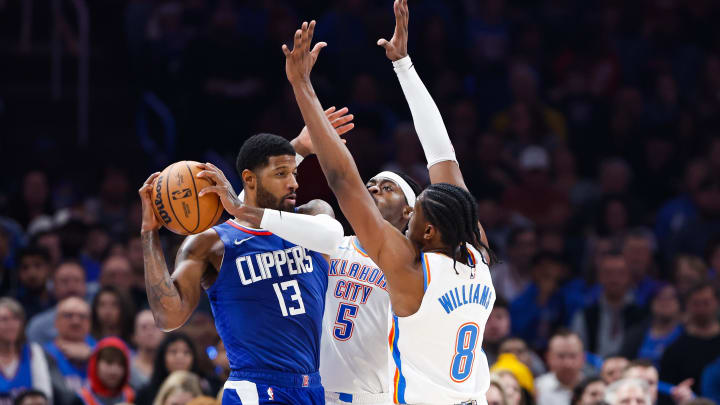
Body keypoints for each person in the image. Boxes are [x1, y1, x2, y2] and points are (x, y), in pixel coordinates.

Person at [283, 5, 495, 403]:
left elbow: (343, 181)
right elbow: (442, 154)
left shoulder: (410, 271)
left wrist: (302, 88)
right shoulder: (476, 252)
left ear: (425, 228)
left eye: (418, 214)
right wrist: (404, 65)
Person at [139, 114, 351, 405]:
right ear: (249, 179)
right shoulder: (212, 244)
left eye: (294, 173)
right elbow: (168, 317)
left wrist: (299, 148)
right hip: (256, 388)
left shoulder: (314, 216)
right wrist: (149, 233)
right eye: (281, 174)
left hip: (313, 386)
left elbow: (331, 235)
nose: (293, 183)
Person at [571, 253, 646, 358]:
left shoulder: (643, 316)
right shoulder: (585, 316)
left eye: (620, 273)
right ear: (600, 277)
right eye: (608, 273)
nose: (614, 278)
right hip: (593, 372)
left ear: (629, 277)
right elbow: (577, 353)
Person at [659, 284, 720, 405]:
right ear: (687, 306)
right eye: (696, 304)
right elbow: (666, 394)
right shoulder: (674, 349)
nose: (702, 309)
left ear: (717, 303)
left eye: (706, 303)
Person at [134, 333, 217, 405]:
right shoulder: (146, 394)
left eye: (186, 352)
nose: (180, 357)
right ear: (162, 357)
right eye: (173, 351)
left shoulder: (207, 389)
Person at [0, 298, 52, 405]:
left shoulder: (33, 351)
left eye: (16, 319)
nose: (11, 325)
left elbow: (45, 395)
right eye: (4, 319)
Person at [26, 260, 88, 345]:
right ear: (53, 287)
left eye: (77, 280)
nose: (71, 286)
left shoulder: (98, 318)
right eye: (64, 281)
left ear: (85, 285)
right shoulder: (38, 326)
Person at [620, 284, 683, 367]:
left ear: (679, 304)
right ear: (651, 303)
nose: (665, 302)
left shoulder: (686, 334)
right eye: (660, 298)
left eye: (671, 298)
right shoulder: (635, 334)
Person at [43, 297, 95, 392]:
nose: (76, 321)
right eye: (68, 315)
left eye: (82, 316)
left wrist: (93, 356)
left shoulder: (101, 351)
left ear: (90, 323)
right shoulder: (43, 354)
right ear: (56, 322)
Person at [75, 337, 135, 405]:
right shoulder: (81, 399)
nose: (114, 371)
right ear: (95, 364)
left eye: (120, 364)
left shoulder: (132, 397)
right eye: (108, 363)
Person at [535, 331, 585, 405]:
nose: (567, 363)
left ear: (583, 358)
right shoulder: (537, 388)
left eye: (573, 356)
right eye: (561, 356)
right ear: (548, 357)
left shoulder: (594, 388)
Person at [12, 246, 54, 320]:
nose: (32, 273)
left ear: (49, 269)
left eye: (37, 265)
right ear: (18, 272)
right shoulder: (13, 304)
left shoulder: (58, 300)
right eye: (25, 267)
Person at [129, 310, 163, 389]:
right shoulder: (127, 367)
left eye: (155, 327)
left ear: (163, 334)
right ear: (134, 336)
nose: (150, 332)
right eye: (144, 327)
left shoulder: (170, 366)